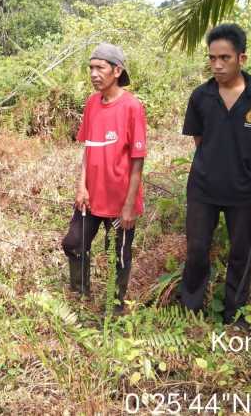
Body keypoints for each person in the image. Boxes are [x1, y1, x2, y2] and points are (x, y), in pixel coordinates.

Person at [178, 24, 251, 329]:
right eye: (212, 58)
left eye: (225, 58)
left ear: (242, 58)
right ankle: (190, 310)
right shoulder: (201, 96)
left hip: (243, 191)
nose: (218, 65)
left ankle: (235, 316)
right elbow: (200, 143)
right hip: (203, 189)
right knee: (196, 251)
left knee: (240, 254)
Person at [61, 43, 147, 314]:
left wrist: (129, 205)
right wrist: (81, 186)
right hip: (91, 196)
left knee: (117, 256)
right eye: (91, 68)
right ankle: (80, 293)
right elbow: (89, 147)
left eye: (100, 68)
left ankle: (115, 307)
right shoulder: (92, 103)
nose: (94, 74)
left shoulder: (132, 107)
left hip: (120, 199)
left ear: (117, 70)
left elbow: (137, 160)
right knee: (73, 243)